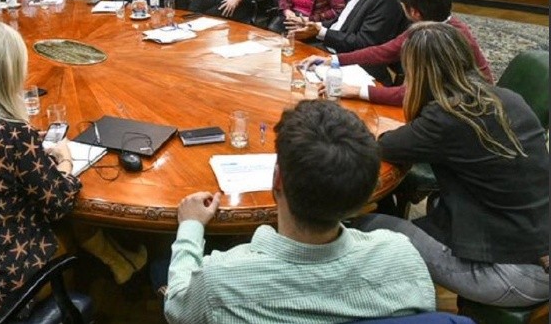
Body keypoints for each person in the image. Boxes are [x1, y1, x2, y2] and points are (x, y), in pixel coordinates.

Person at [0, 20, 146, 315]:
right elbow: (60, 202)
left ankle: (120, 260)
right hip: (6, 287)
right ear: (5, 72)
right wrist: (64, 159)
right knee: (71, 214)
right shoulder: (12, 135)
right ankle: (116, 265)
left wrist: (26, 153)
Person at [164, 100, 435, 323]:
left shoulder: (220, 280)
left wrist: (190, 226)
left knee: (158, 267)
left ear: (277, 179)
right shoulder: (403, 258)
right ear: (364, 194)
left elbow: (177, 307)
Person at [356, 23, 549, 307]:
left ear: (417, 72)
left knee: (367, 226)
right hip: (533, 246)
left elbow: (383, 146)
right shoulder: (507, 98)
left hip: (512, 274)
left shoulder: (444, 118)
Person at [299, 0, 492, 106]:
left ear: (414, 12)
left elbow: (412, 94)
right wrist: (333, 60)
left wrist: (356, 91)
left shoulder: (438, 40)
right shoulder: (430, 25)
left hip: (466, 109)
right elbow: (385, 51)